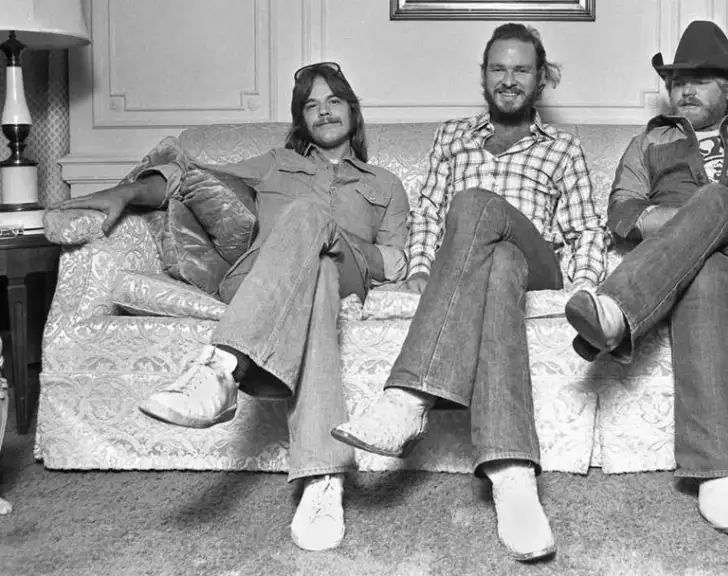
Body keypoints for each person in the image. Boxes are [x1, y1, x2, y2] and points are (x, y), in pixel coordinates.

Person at [52, 63, 410, 552]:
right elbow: (187, 180)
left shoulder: (384, 183)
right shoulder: (273, 163)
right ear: (300, 120)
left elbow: (396, 261)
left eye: (333, 101)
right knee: (316, 275)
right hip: (260, 279)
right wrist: (125, 191)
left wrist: (335, 234)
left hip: (349, 273)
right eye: (311, 104)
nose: (323, 111)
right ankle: (322, 479)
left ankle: (221, 367)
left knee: (314, 230)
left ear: (352, 109)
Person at [330, 23, 607, 562]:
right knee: (495, 260)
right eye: (498, 69)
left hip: (539, 263)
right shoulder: (451, 135)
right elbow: (428, 211)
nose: (509, 80)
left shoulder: (563, 148)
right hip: (485, 265)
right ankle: (512, 475)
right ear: (483, 76)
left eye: (520, 70)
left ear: (539, 79)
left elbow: (585, 230)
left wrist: (584, 286)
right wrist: (421, 269)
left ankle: (407, 398)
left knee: (477, 207)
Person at [562, 21, 728, 535]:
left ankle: (618, 310)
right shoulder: (649, 141)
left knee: (714, 201)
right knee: (704, 267)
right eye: (677, 80)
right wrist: (697, 225)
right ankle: (718, 472)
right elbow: (623, 212)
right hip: (687, 269)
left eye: (700, 79)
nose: (683, 89)